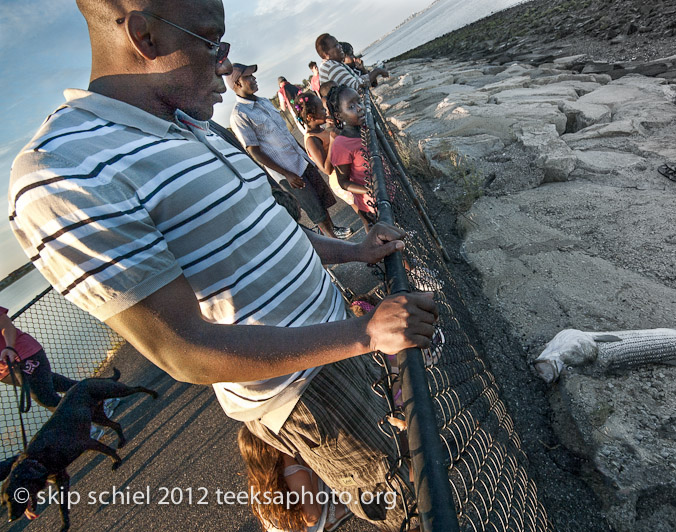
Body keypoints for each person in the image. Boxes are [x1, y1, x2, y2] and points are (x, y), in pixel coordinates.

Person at [8, 2, 437, 530]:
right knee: (421, 503)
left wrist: (354, 251)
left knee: (439, 458)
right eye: (213, 41)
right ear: (144, 34)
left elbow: (263, 228)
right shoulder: (61, 173)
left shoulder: (192, 123)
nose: (226, 63)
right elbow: (182, 349)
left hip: (347, 334)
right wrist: (364, 334)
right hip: (302, 388)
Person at [227, 63, 350, 239]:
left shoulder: (263, 101)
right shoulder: (239, 115)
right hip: (287, 171)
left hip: (300, 160)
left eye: (253, 76)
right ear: (237, 83)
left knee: (321, 199)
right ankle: (333, 240)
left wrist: (306, 155)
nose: (254, 79)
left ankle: (332, 229)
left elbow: (286, 135)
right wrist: (287, 174)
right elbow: (254, 151)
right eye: (248, 77)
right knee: (313, 206)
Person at [238, 425, 352, 532]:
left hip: (283, 526)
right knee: (347, 492)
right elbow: (312, 518)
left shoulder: (260, 477)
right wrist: (312, 467)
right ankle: (330, 518)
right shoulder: (297, 474)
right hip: (306, 525)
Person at [296, 91, 373, 232]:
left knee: (370, 212)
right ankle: (377, 248)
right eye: (322, 110)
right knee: (366, 216)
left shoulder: (323, 130)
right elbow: (326, 169)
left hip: (349, 173)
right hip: (340, 180)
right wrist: (332, 141)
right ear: (310, 116)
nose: (326, 112)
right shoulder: (312, 139)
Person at [0, 306, 79, 410]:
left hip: (20, 354)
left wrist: (10, 346)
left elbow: (5, 324)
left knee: (45, 398)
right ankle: (101, 397)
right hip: (4, 372)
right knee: (59, 385)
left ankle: (83, 422)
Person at [327, 85, 378, 229]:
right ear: (339, 115)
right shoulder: (341, 144)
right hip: (372, 205)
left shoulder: (366, 128)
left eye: (359, 102)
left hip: (388, 191)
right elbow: (343, 182)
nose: (360, 108)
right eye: (351, 107)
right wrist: (369, 190)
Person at [315, 34, 388, 90]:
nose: (340, 46)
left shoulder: (334, 64)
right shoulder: (331, 67)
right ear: (326, 54)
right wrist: (377, 71)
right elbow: (356, 85)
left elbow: (356, 80)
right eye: (336, 45)